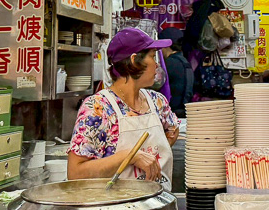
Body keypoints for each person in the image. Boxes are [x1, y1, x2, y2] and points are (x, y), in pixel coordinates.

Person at [68, 29, 180, 190]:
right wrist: (130, 156)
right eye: (152, 57)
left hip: (158, 200)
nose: (157, 65)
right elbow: (75, 173)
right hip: (116, 204)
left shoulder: (157, 101)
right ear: (134, 61)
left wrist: (153, 157)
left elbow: (173, 130)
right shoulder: (97, 108)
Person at [159, 29, 193, 118]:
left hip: (172, 113)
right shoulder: (185, 61)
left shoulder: (169, 63)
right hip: (184, 112)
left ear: (165, 45)